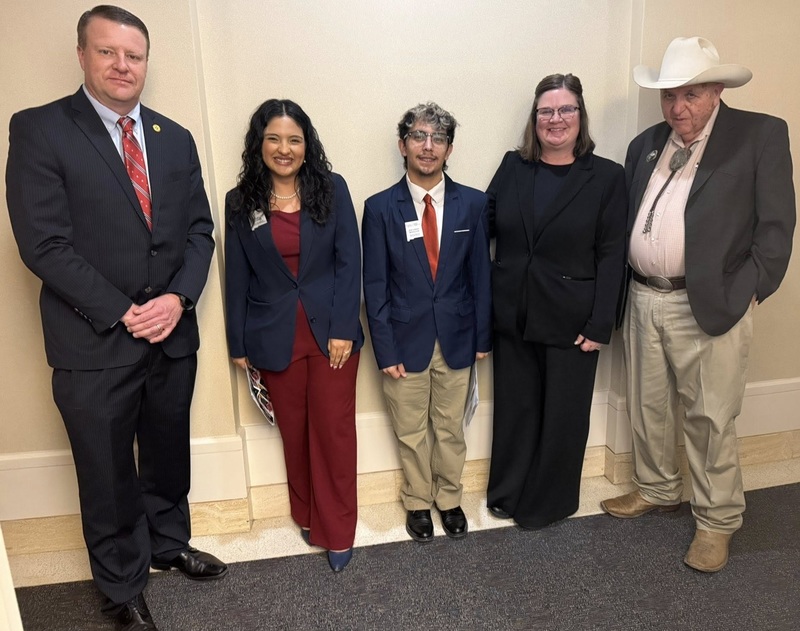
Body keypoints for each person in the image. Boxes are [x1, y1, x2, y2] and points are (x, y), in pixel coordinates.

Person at [5, 5, 224, 630]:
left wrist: (178, 300)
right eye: (108, 52)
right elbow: (43, 244)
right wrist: (125, 311)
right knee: (105, 469)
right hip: (93, 339)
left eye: (134, 55)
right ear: (82, 56)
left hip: (171, 332)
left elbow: (201, 231)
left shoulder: (173, 138)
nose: (122, 65)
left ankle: (167, 543)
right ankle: (121, 584)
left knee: (166, 450)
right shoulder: (41, 129)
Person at [601, 37, 796, 573]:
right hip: (643, 296)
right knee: (649, 405)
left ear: (715, 91)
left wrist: (752, 287)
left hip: (710, 304)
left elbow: (777, 226)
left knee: (710, 417)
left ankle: (716, 521)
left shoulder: (758, 135)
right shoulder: (646, 143)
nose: (677, 108)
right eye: (669, 96)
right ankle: (658, 487)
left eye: (689, 95)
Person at [225, 99, 363, 573]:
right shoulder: (240, 200)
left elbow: (350, 262)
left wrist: (345, 327)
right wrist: (238, 344)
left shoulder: (332, 188)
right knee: (295, 435)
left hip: (332, 338)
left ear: (307, 144)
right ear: (259, 143)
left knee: (334, 433)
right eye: (274, 139)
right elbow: (236, 274)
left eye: (294, 139)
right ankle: (306, 513)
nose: (284, 149)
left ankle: (339, 529)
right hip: (272, 335)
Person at [485, 74, 627, 529]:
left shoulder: (606, 176)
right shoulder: (513, 166)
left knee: (563, 416)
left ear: (580, 117)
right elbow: (484, 221)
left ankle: (549, 502)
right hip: (513, 312)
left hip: (573, 320)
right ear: (535, 119)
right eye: (546, 110)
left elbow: (612, 254)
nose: (556, 119)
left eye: (566, 109)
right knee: (515, 409)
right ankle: (507, 492)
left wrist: (602, 322)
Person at [362, 102, 492, 543]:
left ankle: (450, 497)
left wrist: (482, 336)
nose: (428, 146)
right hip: (403, 339)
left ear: (449, 148)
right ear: (403, 145)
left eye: (438, 138)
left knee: (451, 427)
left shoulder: (473, 204)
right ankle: (418, 501)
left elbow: (481, 277)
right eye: (419, 136)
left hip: (458, 337)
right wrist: (384, 349)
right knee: (411, 429)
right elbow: (374, 285)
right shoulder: (379, 208)